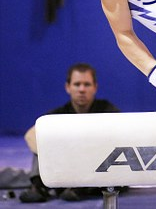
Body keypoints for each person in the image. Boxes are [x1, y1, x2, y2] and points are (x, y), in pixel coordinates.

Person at [19, 63, 120, 203]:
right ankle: (38, 187)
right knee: (42, 139)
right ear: (68, 87)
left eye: (87, 84)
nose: (82, 89)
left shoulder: (108, 111)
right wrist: (60, 152)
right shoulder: (57, 115)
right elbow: (30, 135)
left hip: (96, 170)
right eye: (77, 84)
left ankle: (80, 188)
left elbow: (118, 139)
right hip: (65, 167)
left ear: (95, 87)